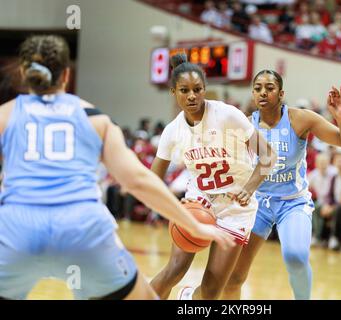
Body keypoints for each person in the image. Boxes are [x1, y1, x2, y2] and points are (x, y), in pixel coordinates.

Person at [0, 35, 234, 300]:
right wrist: (192, 224)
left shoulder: (5, 115)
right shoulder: (94, 118)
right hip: (82, 230)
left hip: (16, 231)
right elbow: (136, 180)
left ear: (24, 72)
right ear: (66, 74)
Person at [149, 54, 277, 300]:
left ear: (205, 89)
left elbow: (268, 156)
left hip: (235, 207)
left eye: (197, 89)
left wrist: (249, 189)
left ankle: (187, 298)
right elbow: (152, 181)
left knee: (210, 293)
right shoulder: (172, 131)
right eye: (184, 90)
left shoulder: (227, 115)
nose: (192, 96)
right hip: (199, 201)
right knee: (173, 271)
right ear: (173, 91)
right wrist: (176, 209)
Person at [223, 70, 341, 300]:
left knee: (295, 256)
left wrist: (340, 118)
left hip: (292, 202)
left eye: (269, 87)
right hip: (257, 204)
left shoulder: (300, 119)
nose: (263, 92)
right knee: (233, 277)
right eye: (257, 88)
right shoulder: (245, 124)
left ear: (281, 93)